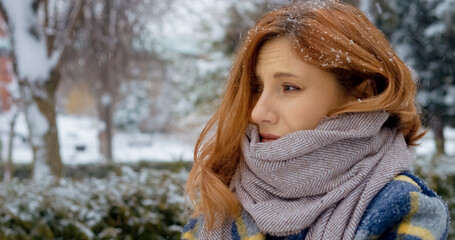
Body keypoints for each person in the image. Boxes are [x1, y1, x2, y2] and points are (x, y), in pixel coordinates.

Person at [182, 0, 449, 239]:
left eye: (289, 87)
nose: (257, 113)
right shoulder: (221, 198)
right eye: (256, 88)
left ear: (362, 92)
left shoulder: (400, 207)